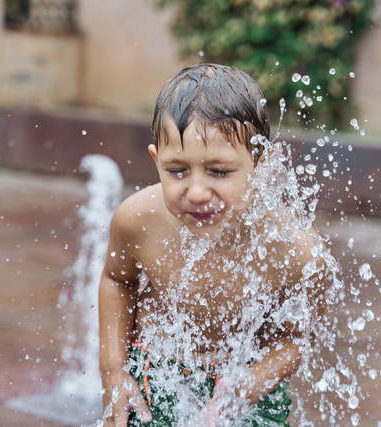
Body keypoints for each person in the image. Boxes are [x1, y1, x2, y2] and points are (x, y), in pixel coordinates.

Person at [98, 63, 330, 426]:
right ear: (156, 160)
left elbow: (298, 338)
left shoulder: (296, 250)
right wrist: (112, 372)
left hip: (249, 381)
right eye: (177, 171)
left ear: (261, 164)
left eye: (219, 172)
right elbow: (117, 281)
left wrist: (249, 385)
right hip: (155, 371)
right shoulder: (137, 219)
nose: (197, 192)